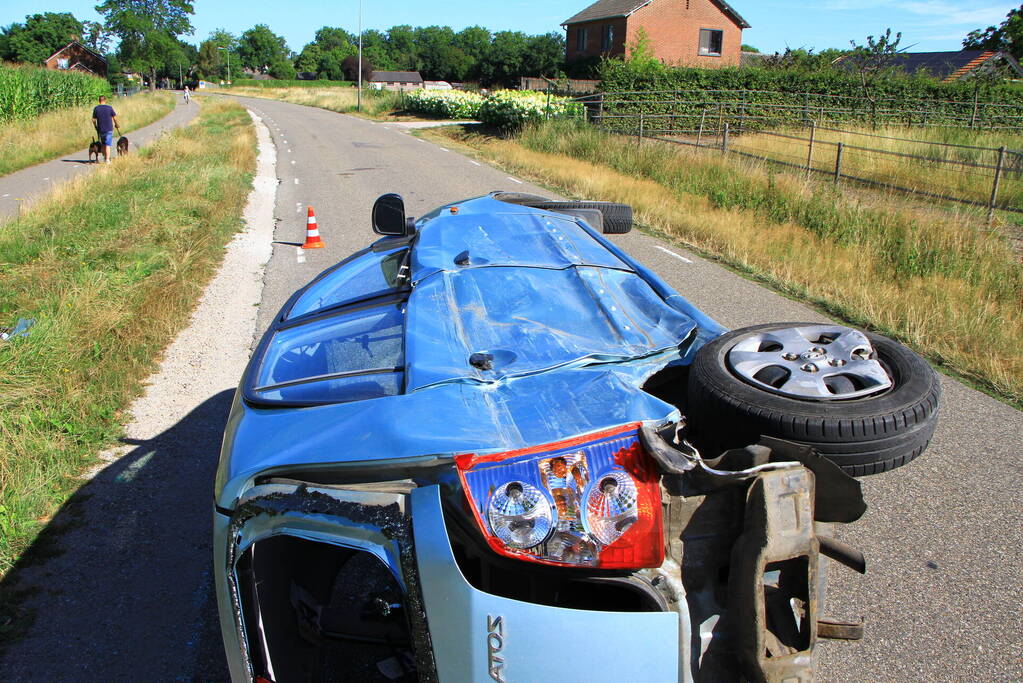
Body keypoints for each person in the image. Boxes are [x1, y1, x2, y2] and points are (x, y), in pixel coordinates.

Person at [91, 95, 121, 164]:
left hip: (101, 129)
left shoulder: (96, 108)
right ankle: (107, 159)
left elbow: (93, 120)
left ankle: (105, 157)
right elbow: (115, 118)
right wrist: (116, 124)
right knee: (108, 144)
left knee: (103, 144)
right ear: (105, 100)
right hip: (109, 128)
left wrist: (95, 127)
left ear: (99, 101)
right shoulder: (109, 108)